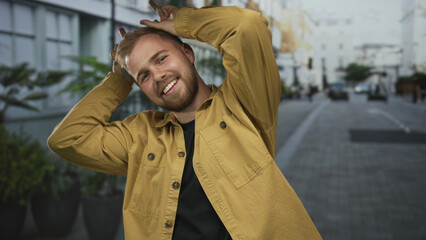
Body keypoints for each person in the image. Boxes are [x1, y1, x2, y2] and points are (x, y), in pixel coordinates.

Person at [48, 2, 322, 239]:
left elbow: (246, 26)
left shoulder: (245, 103)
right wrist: (119, 80)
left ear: (188, 54)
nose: (157, 75)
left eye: (162, 59)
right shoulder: (140, 136)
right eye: (143, 75)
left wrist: (182, 22)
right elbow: (67, 140)